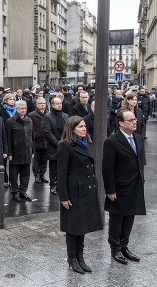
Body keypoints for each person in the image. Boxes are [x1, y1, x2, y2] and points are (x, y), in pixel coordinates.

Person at [57, 116, 103, 274]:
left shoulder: (87, 143)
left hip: (86, 190)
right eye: (80, 127)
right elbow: (61, 174)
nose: (84, 129)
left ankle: (80, 257)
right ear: (72, 129)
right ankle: (72, 259)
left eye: (84, 126)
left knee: (82, 225)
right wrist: (64, 197)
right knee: (73, 227)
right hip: (73, 192)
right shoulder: (65, 145)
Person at [103, 110, 146, 265]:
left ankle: (124, 246)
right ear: (121, 123)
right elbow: (107, 168)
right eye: (130, 120)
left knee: (130, 217)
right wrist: (110, 190)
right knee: (117, 218)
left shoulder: (138, 138)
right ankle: (115, 249)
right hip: (120, 188)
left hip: (135, 185)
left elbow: (140, 162)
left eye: (135, 119)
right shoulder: (112, 141)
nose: (135, 122)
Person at [6, 100, 34, 202]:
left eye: (25, 108)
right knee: (14, 174)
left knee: (25, 174)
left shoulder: (29, 121)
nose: (24, 110)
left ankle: (23, 191)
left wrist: (33, 150)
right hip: (16, 152)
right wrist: (9, 153)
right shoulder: (10, 121)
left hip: (27, 151)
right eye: (21, 108)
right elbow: (8, 139)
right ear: (16, 109)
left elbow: (32, 136)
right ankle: (14, 192)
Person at [44, 97, 68, 195]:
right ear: (52, 105)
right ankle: (53, 185)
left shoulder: (65, 115)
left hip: (65, 144)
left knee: (63, 166)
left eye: (60, 103)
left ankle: (60, 184)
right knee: (53, 166)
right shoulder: (48, 116)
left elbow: (68, 129)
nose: (59, 105)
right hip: (53, 145)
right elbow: (47, 132)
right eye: (57, 103)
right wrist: (57, 143)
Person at [28, 97, 48, 184]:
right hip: (36, 141)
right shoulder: (32, 115)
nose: (43, 105)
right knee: (36, 160)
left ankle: (42, 174)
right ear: (37, 105)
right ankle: (36, 175)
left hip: (46, 141)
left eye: (44, 103)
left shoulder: (48, 114)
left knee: (44, 160)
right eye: (41, 103)